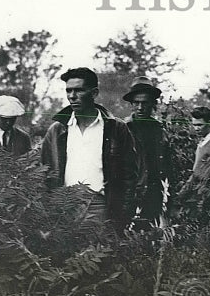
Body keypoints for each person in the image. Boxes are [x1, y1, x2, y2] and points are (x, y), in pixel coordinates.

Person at [40, 67, 138, 233]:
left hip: (100, 205)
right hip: (64, 206)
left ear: (94, 93)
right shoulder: (57, 131)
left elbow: (129, 176)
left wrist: (123, 216)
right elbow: (44, 173)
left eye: (78, 90)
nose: (72, 96)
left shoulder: (116, 128)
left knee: (96, 256)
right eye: (68, 91)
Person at [122, 76, 172, 227]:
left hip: (154, 194)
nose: (140, 107)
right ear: (131, 104)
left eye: (144, 103)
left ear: (153, 104)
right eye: (136, 103)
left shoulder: (159, 130)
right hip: (128, 194)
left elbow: (167, 166)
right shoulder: (122, 129)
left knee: (150, 238)